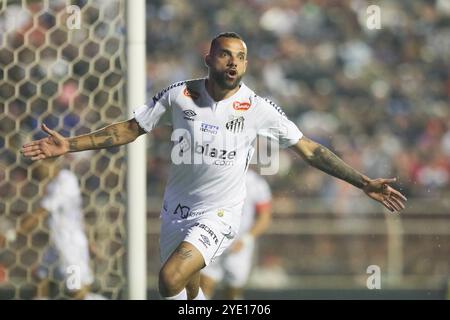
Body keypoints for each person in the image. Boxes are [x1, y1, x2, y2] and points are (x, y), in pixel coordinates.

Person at [21, 32, 407, 300]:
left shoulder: (257, 107)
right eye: (225, 54)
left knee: (169, 280)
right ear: (208, 58)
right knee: (190, 287)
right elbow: (130, 129)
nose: (233, 62)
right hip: (175, 210)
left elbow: (309, 149)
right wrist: (69, 145)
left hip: (220, 214)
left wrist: (362, 182)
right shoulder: (180, 94)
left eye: (240, 57)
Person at [17, 159, 105, 300]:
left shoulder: (66, 180)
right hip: (57, 244)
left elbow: (43, 210)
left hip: (70, 246)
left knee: (76, 290)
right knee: (40, 277)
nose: (35, 168)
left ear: (50, 162)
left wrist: (14, 232)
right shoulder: (52, 183)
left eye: (38, 163)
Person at [200, 169, 272, 299]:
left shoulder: (255, 183)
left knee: (233, 290)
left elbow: (264, 218)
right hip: (211, 237)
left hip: (239, 245)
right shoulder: (213, 175)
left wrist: (245, 240)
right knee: (205, 284)